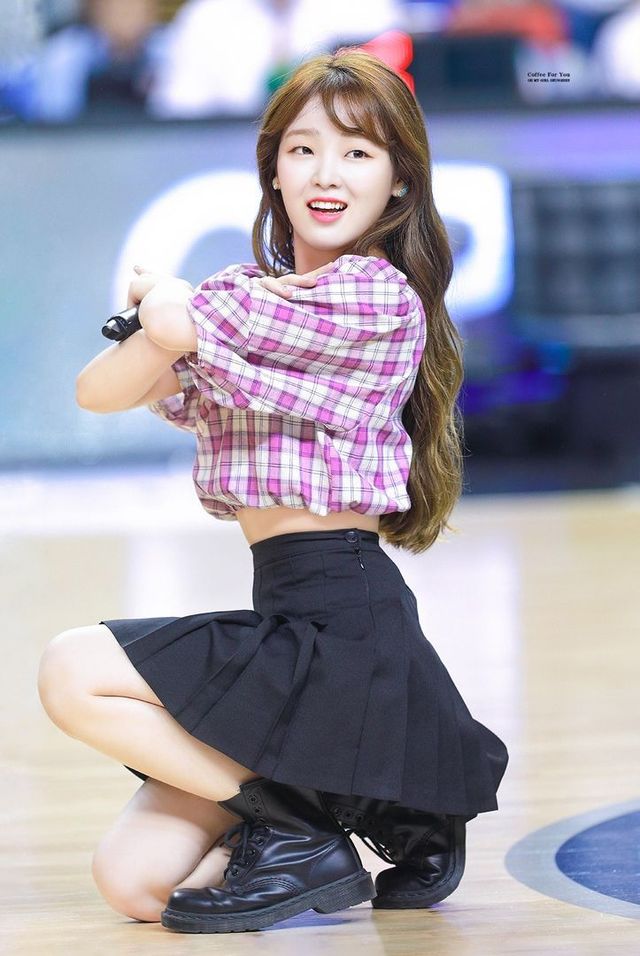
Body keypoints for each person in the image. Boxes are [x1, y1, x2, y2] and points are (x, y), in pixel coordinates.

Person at [37, 47, 509, 933]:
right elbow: (97, 391)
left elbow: (194, 324)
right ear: (274, 169)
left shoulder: (376, 298)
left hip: (346, 627)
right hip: (287, 618)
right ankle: (303, 822)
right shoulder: (239, 301)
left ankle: (298, 828)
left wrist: (168, 305)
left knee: (71, 667)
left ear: (399, 182)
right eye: (303, 150)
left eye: (357, 152)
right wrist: (168, 317)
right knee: (135, 887)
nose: (326, 174)